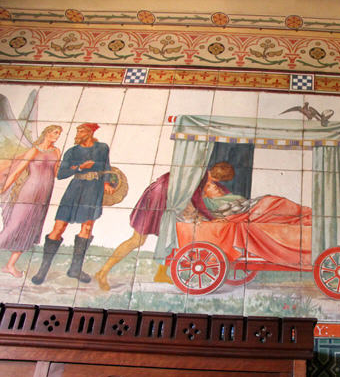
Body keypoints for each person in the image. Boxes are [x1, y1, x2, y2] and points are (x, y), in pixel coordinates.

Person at [94, 162, 235, 290]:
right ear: (218, 178)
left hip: (163, 198)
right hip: (157, 199)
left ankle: (161, 273)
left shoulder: (201, 172)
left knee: (173, 235)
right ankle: (102, 272)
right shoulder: (199, 177)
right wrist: (213, 218)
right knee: (137, 240)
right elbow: (197, 201)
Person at [30, 122, 114, 285]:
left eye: (81, 131)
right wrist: (80, 167)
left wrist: (106, 182)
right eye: (78, 130)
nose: (78, 133)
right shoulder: (72, 151)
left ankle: (75, 269)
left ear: (89, 132)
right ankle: (43, 270)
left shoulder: (102, 148)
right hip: (75, 188)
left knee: (87, 227)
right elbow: (61, 174)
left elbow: (106, 166)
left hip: (93, 189)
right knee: (59, 227)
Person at [0, 125, 62, 278]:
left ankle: (10, 265)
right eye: (55, 132)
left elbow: (54, 174)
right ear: (47, 133)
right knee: (14, 225)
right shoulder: (34, 150)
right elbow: (16, 173)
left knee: (29, 228)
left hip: (44, 194)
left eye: (59, 134)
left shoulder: (56, 151)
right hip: (29, 192)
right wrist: (2, 189)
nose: (57, 136)